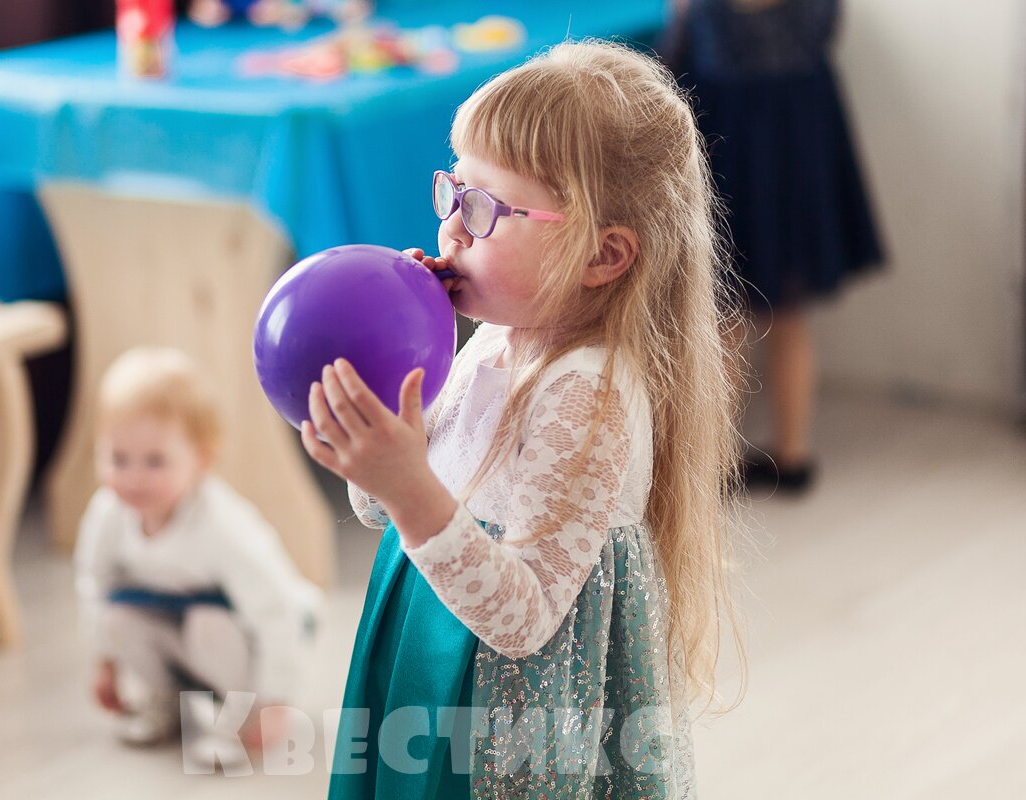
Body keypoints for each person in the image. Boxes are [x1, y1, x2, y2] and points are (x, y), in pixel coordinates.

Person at [300, 41, 743, 799]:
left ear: (603, 256)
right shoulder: (492, 345)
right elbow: (380, 508)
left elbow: (524, 618)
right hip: (424, 633)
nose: (452, 230)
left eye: (485, 209)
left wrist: (406, 487)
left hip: (508, 710)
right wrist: (392, 391)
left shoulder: (588, 394)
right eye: (453, 191)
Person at [666, 0, 885, 493]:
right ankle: (793, 454)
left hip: (728, 167)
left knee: (724, 324)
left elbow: (671, 71)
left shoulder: (700, 9)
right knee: (787, 316)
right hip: (797, 169)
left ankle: (713, 461)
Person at [74, 347, 320, 766]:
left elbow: (275, 611)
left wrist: (276, 700)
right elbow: (94, 586)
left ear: (200, 459)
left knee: (208, 627)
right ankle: (167, 702)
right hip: (173, 624)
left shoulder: (222, 526)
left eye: (155, 461)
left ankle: (236, 717)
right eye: (118, 458)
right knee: (117, 619)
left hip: (239, 635)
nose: (133, 477)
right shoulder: (108, 515)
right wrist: (104, 663)